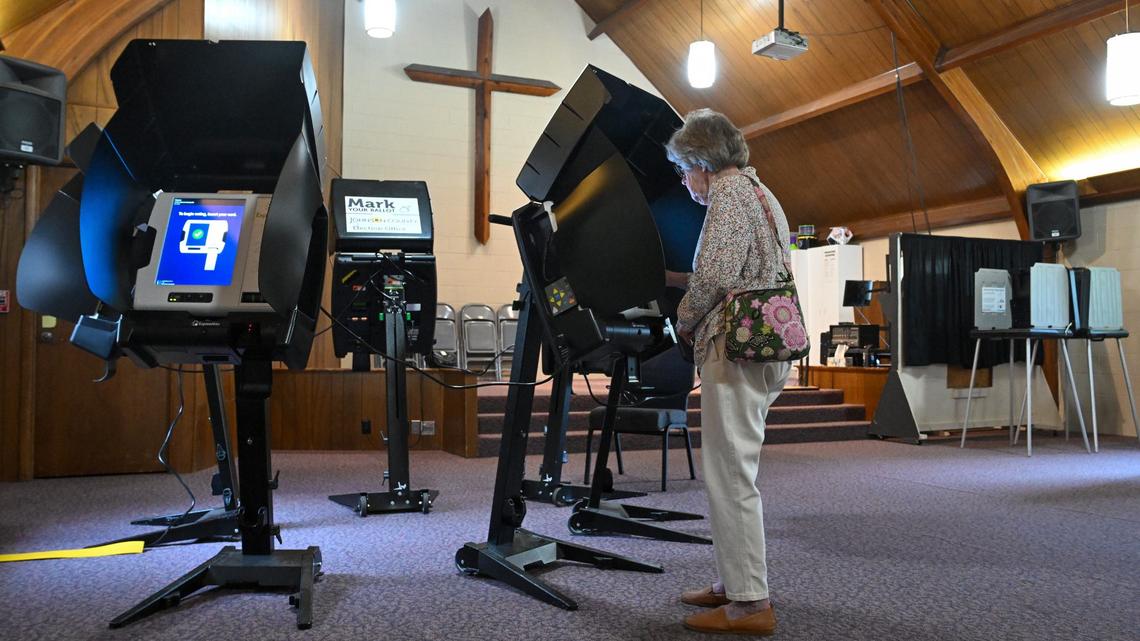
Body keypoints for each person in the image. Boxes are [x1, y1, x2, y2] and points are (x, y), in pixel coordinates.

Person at [665, 108, 794, 637]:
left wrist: (684, 318)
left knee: (729, 476)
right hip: (765, 344)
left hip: (736, 347)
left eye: (682, 169)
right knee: (734, 470)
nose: (683, 181)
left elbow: (715, 274)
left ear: (701, 162)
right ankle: (733, 581)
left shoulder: (729, 194)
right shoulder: (760, 192)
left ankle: (749, 604)